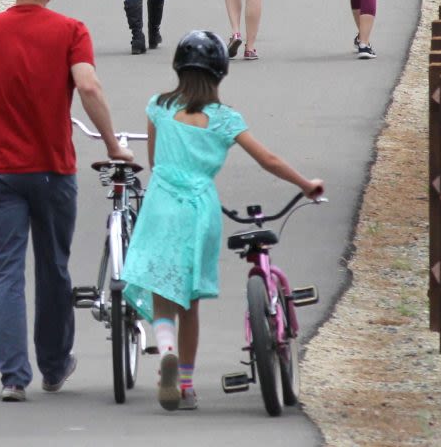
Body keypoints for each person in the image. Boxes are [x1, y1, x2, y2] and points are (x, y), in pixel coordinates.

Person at [0, 0, 135, 403]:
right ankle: (54, 366)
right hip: (53, 170)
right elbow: (88, 85)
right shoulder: (71, 31)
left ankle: (13, 377)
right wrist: (113, 142)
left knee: (7, 275)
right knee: (53, 269)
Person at [120, 30, 324, 411]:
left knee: (163, 295)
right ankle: (184, 383)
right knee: (191, 302)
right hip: (199, 209)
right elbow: (269, 160)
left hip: (162, 202)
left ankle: (164, 349)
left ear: (178, 67)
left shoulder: (158, 107)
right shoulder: (224, 119)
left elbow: (154, 161)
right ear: (220, 73)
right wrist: (305, 183)